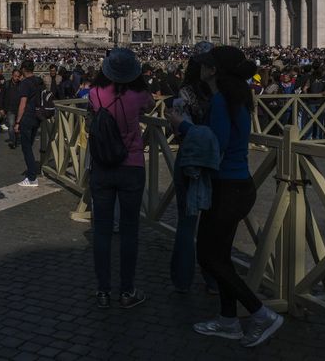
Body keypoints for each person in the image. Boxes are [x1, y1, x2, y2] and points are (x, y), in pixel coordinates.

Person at [169, 46, 284, 347]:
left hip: (226, 188)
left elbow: (214, 146)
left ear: (213, 70)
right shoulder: (240, 98)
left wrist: (183, 125)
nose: (201, 67)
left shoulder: (221, 101)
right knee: (220, 258)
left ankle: (261, 313)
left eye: (206, 64)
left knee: (208, 256)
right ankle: (228, 320)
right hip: (239, 185)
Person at [88, 48, 154, 309]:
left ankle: (103, 291)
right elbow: (150, 104)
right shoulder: (139, 95)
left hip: (102, 167)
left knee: (102, 231)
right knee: (129, 231)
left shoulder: (95, 93)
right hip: (131, 167)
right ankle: (127, 290)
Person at [170, 41, 218, 294]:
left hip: (189, 160)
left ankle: (182, 279)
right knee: (212, 226)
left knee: (186, 223)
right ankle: (212, 279)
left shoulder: (184, 94)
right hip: (215, 162)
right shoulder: (222, 95)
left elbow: (177, 130)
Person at [14, 59, 42, 187]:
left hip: (27, 118)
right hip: (37, 117)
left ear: (24, 70)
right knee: (29, 146)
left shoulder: (25, 83)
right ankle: (33, 173)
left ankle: (31, 178)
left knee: (26, 148)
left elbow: (23, 104)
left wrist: (17, 121)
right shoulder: (38, 81)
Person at [1, 68, 22, 150]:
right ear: (12, 75)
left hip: (19, 108)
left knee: (18, 126)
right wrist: (1, 108)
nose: (16, 78)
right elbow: (1, 97)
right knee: (11, 126)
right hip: (10, 109)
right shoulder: (6, 84)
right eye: (15, 76)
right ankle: (13, 141)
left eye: (18, 76)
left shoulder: (21, 84)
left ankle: (15, 139)